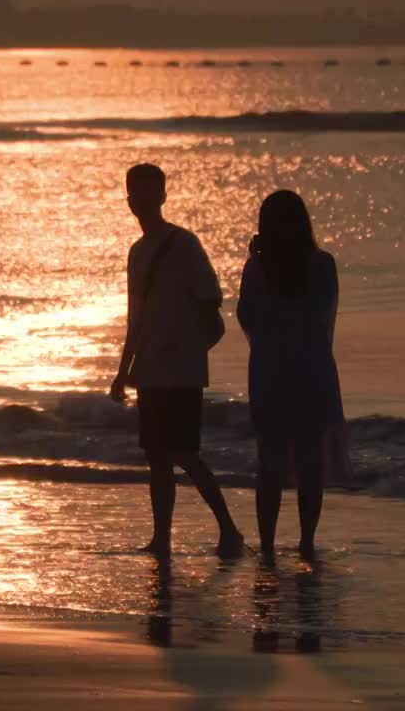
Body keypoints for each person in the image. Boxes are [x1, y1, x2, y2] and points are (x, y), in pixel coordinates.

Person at [111, 163, 245, 559]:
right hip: (150, 371)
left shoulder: (184, 244)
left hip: (182, 372)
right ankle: (162, 539)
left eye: (151, 194)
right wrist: (123, 372)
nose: (143, 201)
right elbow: (135, 316)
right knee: (157, 459)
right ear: (129, 199)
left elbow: (210, 301)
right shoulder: (137, 252)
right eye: (136, 194)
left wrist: (188, 349)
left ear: (163, 198)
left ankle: (229, 531)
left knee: (185, 455)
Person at [237, 190, 345, 562]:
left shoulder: (257, 269)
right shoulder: (322, 264)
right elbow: (323, 315)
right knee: (309, 459)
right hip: (311, 372)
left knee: (271, 460)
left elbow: (246, 317)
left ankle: (267, 544)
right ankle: (306, 542)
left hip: (270, 372)